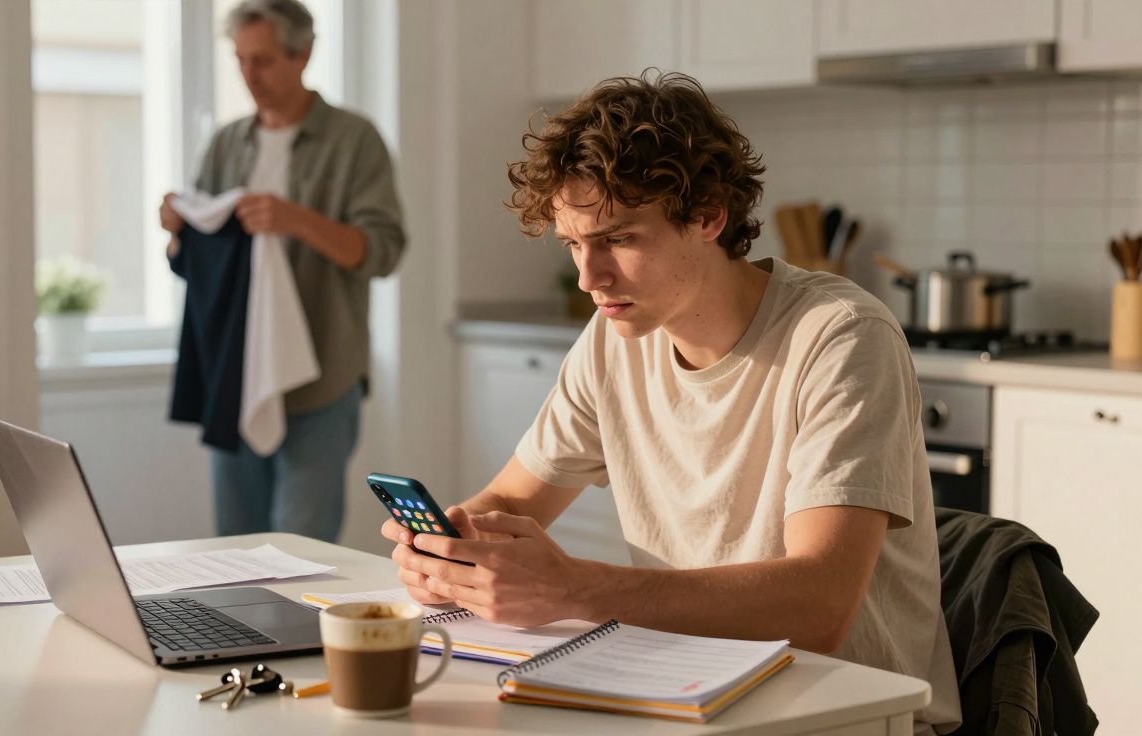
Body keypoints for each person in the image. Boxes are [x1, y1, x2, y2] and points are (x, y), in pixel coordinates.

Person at [381, 71, 962, 733]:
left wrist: (573, 588)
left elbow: (819, 605)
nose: (589, 277)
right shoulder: (614, 337)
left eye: (618, 239)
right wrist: (451, 552)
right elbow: (512, 502)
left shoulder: (841, 337)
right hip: (688, 696)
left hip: (844, 714)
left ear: (708, 215)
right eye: (574, 244)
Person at [161, 0, 405, 543]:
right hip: (234, 371)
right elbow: (196, 266)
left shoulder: (354, 140)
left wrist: (296, 220)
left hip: (324, 375)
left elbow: (384, 251)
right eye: (240, 60)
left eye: (264, 60)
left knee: (305, 552)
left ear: (303, 54)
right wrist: (178, 231)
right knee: (236, 550)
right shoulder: (225, 143)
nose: (249, 76)